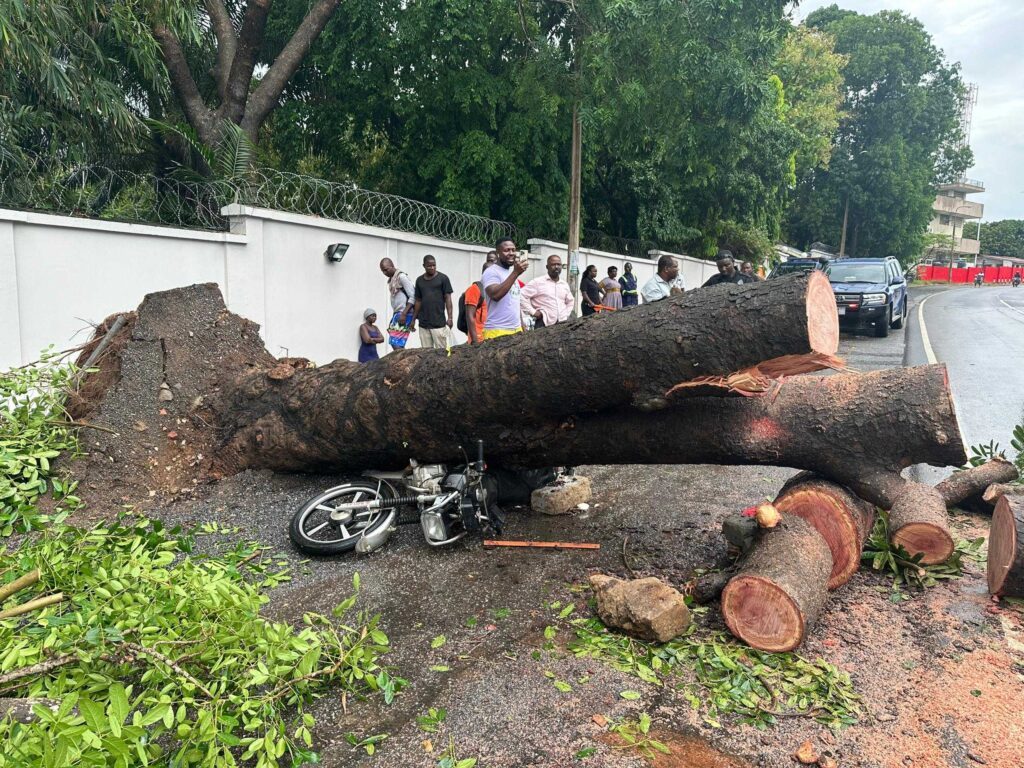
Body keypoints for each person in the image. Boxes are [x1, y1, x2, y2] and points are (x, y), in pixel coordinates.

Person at [482, 238, 530, 340]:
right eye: (507, 250)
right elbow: (495, 295)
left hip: (516, 330)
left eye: (513, 250)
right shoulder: (491, 272)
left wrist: (522, 326)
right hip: (497, 331)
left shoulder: (510, 273)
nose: (511, 253)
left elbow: (514, 303)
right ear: (497, 252)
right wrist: (516, 273)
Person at [520, 254, 574, 328]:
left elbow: (570, 301)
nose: (556, 267)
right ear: (547, 267)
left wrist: (566, 314)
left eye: (559, 264)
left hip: (562, 324)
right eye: (553, 265)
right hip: (543, 323)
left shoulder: (564, 284)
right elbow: (520, 295)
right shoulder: (537, 282)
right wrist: (533, 312)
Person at [413, 254, 454, 348]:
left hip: (438, 324)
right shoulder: (419, 280)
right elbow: (418, 300)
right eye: (429, 266)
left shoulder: (443, 278)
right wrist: (413, 319)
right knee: (426, 353)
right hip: (423, 324)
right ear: (423, 266)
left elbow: (448, 298)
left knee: (441, 352)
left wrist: (450, 318)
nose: (432, 267)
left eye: (434, 265)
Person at [379, 258, 415, 350]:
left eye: (386, 270)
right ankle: (404, 361)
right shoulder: (392, 279)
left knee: (395, 341)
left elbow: (413, 296)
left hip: (404, 313)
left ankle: (405, 362)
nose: (385, 273)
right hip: (398, 313)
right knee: (396, 341)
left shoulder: (401, 277)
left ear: (392, 266)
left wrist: (404, 314)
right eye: (383, 271)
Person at [462, 262, 490, 344]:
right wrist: (475, 341)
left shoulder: (493, 290)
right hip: (478, 337)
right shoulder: (474, 289)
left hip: (490, 335)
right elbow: (469, 316)